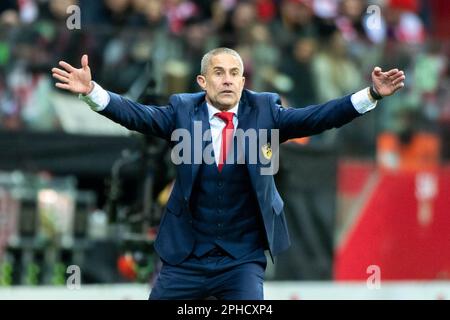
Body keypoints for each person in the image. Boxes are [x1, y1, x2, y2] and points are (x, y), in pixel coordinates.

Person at [52, 47, 405, 299]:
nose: (228, 80)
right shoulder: (181, 110)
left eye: (235, 73)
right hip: (186, 257)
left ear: (242, 80)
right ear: (203, 81)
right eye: (219, 73)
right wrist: (92, 93)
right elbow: (137, 115)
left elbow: (320, 116)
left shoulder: (266, 110)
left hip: (242, 258)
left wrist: (371, 94)